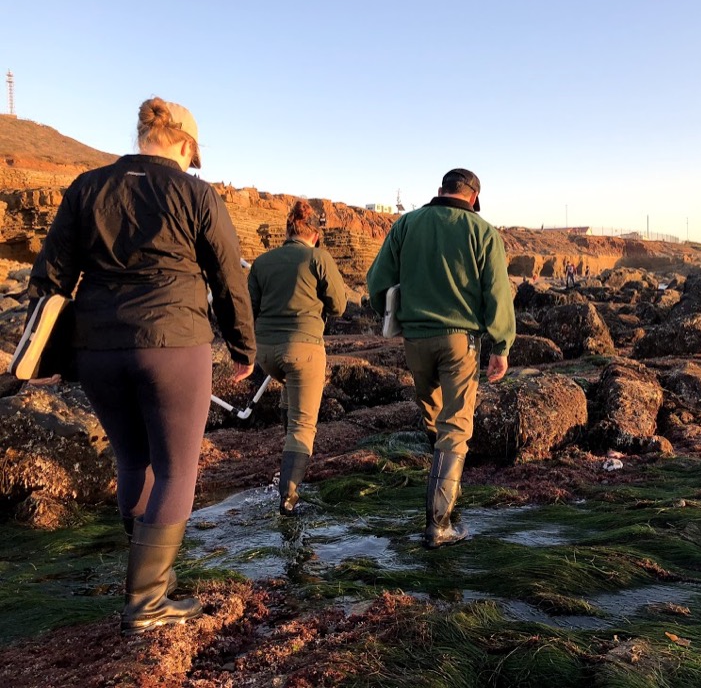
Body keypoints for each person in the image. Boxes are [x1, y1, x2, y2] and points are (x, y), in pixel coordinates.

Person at [27, 97, 256, 635]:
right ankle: (147, 602)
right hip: (172, 343)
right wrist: (243, 348)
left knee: (133, 459)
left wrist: (47, 356)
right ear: (184, 144)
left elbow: (50, 278)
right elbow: (228, 277)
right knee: (178, 468)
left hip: (98, 349)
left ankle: (149, 580)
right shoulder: (196, 192)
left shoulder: (87, 186)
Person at [366, 168, 516, 548]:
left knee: (433, 415)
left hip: (415, 340)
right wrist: (501, 346)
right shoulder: (483, 232)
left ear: (440, 191)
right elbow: (497, 292)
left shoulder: (407, 224)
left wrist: (390, 314)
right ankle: (439, 523)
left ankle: (445, 493)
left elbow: (376, 281)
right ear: (474, 198)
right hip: (460, 342)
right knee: (456, 426)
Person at [248, 200, 346, 515]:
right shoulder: (318, 257)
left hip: (266, 352)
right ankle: (288, 498)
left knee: (292, 398)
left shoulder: (262, 262)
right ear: (315, 234)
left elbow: (249, 307)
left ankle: (284, 470)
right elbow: (339, 305)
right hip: (303, 348)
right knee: (303, 424)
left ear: (288, 229)